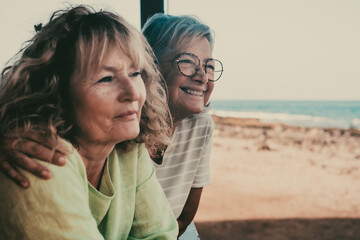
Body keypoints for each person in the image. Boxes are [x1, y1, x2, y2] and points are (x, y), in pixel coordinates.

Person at [0, 12, 223, 240]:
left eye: (135, 73)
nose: (132, 92)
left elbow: (163, 233)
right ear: (56, 91)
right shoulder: (39, 158)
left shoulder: (129, 147)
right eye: (106, 78)